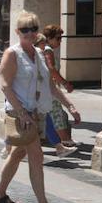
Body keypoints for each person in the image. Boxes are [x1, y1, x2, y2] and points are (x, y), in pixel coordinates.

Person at [0, 11, 79, 203]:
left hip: (36, 113)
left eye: (33, 29)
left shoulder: (39, 55)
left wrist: (70, 105)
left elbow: (50, 87)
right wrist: (21, 112)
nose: (29, 33)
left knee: (17, 154)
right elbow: (5, 85)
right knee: (36, 156)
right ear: (17, 32)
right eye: (24, 30)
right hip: (21, 114)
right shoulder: (12, 54)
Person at [41, 24, 81, 156]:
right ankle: (65, 142)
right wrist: (64, 83)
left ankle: (63, 142)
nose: (60, 41)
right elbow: (52, 69)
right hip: (49, 90)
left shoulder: (43, 49)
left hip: (46, 89)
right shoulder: (48, 51)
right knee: (57, 114)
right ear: (49, 38)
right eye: (58, 38)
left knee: (53, 115)